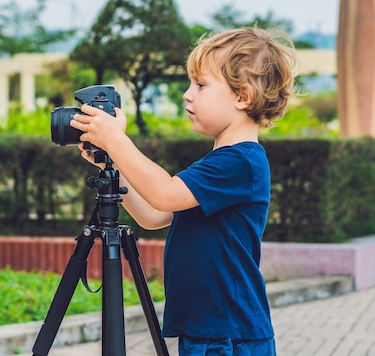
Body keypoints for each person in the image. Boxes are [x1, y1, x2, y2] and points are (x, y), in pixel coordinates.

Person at [70, 27, 298, 356]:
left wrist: (117, 141)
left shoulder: (240, 162)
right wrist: (112, 167)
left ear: (242, 97)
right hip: (205, 329)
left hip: (228, 334)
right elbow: (155, 214)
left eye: (201, 85)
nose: (187, 94)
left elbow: (165, 194)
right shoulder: (222, 161)